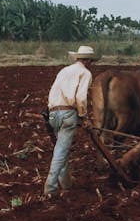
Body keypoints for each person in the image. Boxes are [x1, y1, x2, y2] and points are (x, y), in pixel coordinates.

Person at [42, 45, 98, 197]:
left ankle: (65, 183)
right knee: (61, 150)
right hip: (68, 114)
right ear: (87, 61)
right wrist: (84, 116)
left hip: (53, 113)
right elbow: (80, 97)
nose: (91, 64)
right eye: (91, 61)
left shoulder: (64, 71)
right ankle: (51, 188)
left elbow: (53, 91)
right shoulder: (85, 73)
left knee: (61, 148)